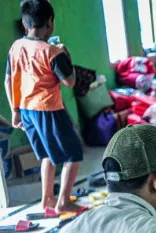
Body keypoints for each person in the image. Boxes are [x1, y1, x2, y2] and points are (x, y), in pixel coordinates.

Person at [4, 0, 83, 214]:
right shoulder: (52, 52)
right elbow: (70, 81)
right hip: (49, 110)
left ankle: (47, 199)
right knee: (74, 153)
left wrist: (14, 111)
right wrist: (67, 56)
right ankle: (63, 201)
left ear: (24, 23)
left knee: (47, 155)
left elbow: (8, 81)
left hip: (26, 110)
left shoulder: (16, 47)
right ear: (50, 23)